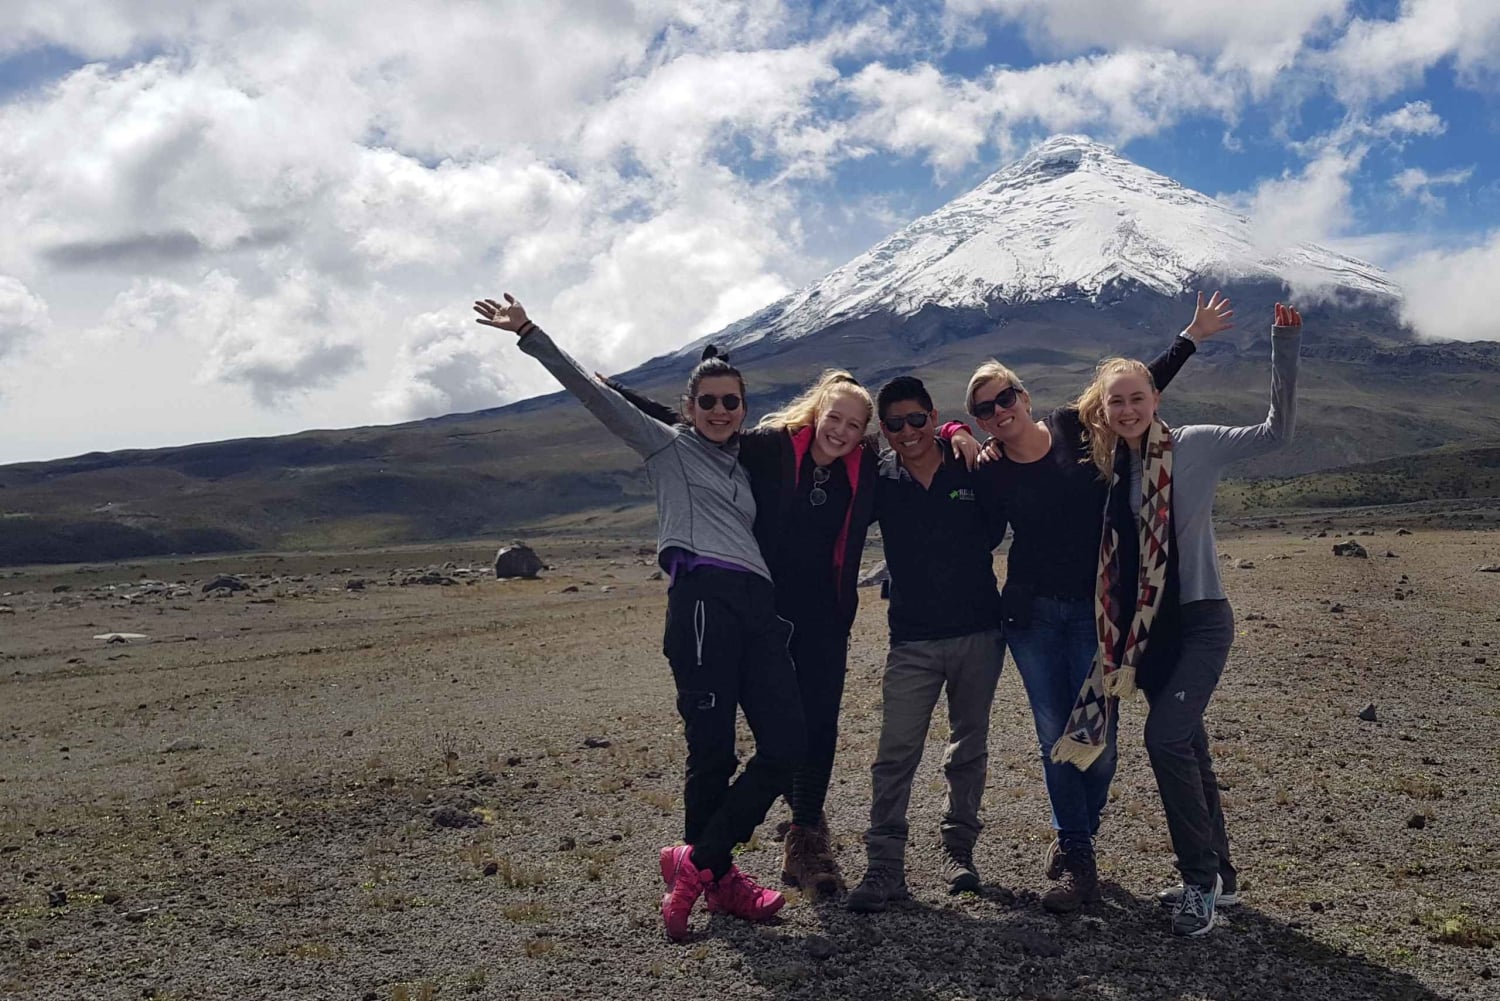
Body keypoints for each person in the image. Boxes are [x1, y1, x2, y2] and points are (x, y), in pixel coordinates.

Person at [474, 294, 805, 941]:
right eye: (707, 401)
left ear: (743, 408)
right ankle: (718, 881)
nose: (719, 410)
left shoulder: (743, 467)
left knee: (787, 741)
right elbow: (596, 398)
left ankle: (697, 861)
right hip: (703, 600)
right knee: (711, 751)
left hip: (757, 609)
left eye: (730, 401)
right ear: (689, 407)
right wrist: (530, 332)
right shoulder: (668, 448)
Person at [603, 368, 980, 898]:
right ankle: (710, 856)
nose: (842, 431)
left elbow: (914, 438)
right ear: (816, 413)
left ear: (863, 432)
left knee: (818, 726)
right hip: (762, 613)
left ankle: (804, 840)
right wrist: (613, 389)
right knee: (751, 735)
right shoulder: (769, 447)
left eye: (854, 424)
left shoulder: (866, 466)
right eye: (834, 418)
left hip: (826, 615)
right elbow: (696, 426)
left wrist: (955, 429)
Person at [953, 293, 1232, 913]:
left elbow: (1132, 391)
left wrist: (1189, 338)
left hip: (1097, 613)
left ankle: (1081, 831)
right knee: (1055, 734)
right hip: (1030, 617)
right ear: (979, 420)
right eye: (983, 409)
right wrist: (949, 435)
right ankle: (1078, 855)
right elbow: (973, 527)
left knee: (1098, 743)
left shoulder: (1074, 426)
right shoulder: (989, 470)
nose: (998, 412)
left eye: (1005, 398)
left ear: (1024, 397)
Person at [1055, 301, 1303, 936]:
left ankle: (1197, 883)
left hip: (1200, 619)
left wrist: (1284, 347)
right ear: (1104, 409)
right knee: (1190, 746)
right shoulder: (1109, 466)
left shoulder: (1194, 445)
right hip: (1149, 633)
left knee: (1165, 740)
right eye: (1116, 402)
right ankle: (1223, 879)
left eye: (1138, 398)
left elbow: (1276, 435)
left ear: (1156, 399)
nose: (1128, 410)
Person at [845, 375, 1008, 913]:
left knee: (969, 745)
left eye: (918, 419)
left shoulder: (971, 464)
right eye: (895, 424)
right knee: (896, 752)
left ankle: (958, 851)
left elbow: (995, 528)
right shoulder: (880, 477)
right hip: (912, 639)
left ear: (934, 416)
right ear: (884, 429)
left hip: (979, 631)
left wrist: (960, 431)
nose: (908, 431)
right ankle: (884, 865)